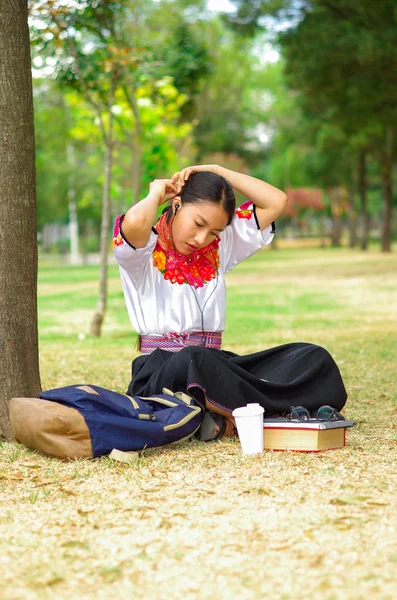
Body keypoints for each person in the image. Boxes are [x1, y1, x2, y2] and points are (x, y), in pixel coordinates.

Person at [113, 164, 347, 437]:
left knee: (311, 357)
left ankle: (221, 417)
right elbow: (136, 223)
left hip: (215, 365)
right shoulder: (142, 251)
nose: (202, 239)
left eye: (214, 232)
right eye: (198, 224)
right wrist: (155, 192)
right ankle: (259, 413)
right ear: (176, 204)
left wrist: (217, 171)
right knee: (194, 360)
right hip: (161, 371)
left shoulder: (221, 246)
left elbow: (276, 201)